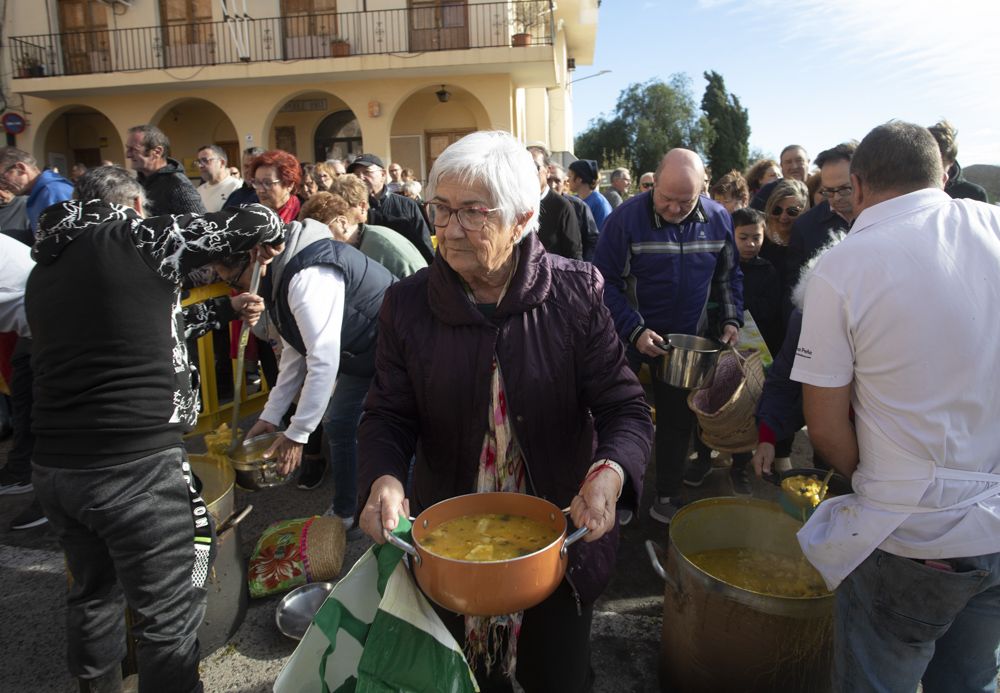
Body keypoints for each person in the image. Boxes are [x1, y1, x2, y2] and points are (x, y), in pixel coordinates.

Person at [357, 130, 652, 692]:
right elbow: (388, 415)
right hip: (450, 550)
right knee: (465, 681)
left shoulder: (575, 292)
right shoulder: (408, 304)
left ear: (521, 220)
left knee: (558, 677)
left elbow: (624, 407)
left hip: (557, 540)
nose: (447, 228)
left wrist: (609, 474)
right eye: (440, 209)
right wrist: (384, 479)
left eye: (472, 212)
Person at [25, 165, 283, 693]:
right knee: (167, 614)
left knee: (94, 593)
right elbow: (257, 218)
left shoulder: (48, 263)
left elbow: (139, 327)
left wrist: (224, 309)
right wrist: (271, 237)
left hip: (58, 470)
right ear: (137, 206)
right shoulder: (140, 235)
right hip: (134, 471)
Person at [789, 120, 1000, 691]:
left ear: (856, 188)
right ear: (942, 176)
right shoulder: (995, 225)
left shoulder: (844, 264)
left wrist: (877, 479)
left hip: (909, 539)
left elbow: (825, 425)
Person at [594, 148, 742, 523]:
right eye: (666, 199)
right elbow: (602, 282)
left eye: (685, 201)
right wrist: (634, 328)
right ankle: (621, 494)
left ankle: (667, 494)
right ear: (653, 183)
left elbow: (727, 277)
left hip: (686, 343)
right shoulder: (625, 220)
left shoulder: (719, 219)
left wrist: (730, 318)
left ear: (702, 190)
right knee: (622, 417)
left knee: (678, 419)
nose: (675, 209)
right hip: (629, 338)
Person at [223, 212, 396, 532]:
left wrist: (298, 433)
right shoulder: (282, 270)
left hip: (397, 347)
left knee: (395, 430)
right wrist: (271, 415)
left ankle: (395, 515)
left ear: (254, 256)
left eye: (234, 281)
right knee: (341, 424)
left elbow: (322, 358)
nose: (240, 291)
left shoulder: (306, 274)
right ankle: (348, 512)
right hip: (362, 350)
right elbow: (296, 348)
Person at [302, 183, 427, 279]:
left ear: (342, 223)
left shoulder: (381, 246)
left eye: (322, 232)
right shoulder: (358, 245)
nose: (319, 242)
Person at [786, 142, 858, 282]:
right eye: (829, 191)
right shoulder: (805, 226)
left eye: (844, 189)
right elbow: (793, 285)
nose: (836, 197)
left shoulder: (881, 215)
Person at [347, 153, 435, 263]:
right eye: (356, 174)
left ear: (383, 174)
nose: (361, 178)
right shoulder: (352, 209)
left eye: (366, 172)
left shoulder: (407, 205)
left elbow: (424, 245)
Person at [125, 124, 206, 216]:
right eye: (128, 149)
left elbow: (200, 224)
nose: (128, 155)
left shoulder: (178, 185)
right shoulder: (138, 183)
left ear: (157, 152)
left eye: (134, 149)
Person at [0, 147, 74, 231]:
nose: (2, 186)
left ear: (21, 168)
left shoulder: (52, 191)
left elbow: (67, 236)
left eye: (2, 178)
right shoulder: (40, 193)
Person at [529, 148, 582, 259]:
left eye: (534, 167)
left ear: (548, 171)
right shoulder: (516, 204)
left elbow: (574, 256)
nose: (529, 173)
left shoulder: (562, 207)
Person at [546, 161, 599, 261]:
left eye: (557, 181)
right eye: (548, 180)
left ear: (564, 183)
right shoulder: (533, 206)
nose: (552, 185)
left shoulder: (579, 207)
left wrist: (584, 268)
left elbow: (592, 241)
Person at [927, 119, 989, 202]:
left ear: (951, 161)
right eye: (928, 161)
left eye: (940, 162)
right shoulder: (908, 189)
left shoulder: (975, 194)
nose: (932, 168)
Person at [249, 149, 302, 223]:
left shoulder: (305, 218)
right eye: (257, 183)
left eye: (267, 183)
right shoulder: (250, 216)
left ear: (289, 185)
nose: (260, 190)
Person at [568, 159, 612, 231]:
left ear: (579, 179)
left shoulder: (600, 204)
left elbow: (603, 235)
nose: (567, 180)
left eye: (570, 176)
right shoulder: (573, 201)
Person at [195, 144, 242, 213]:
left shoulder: (237, 187)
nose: (200, 165)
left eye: (205, 160)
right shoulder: (198, 192)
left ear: (221, 163)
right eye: (199, 162)